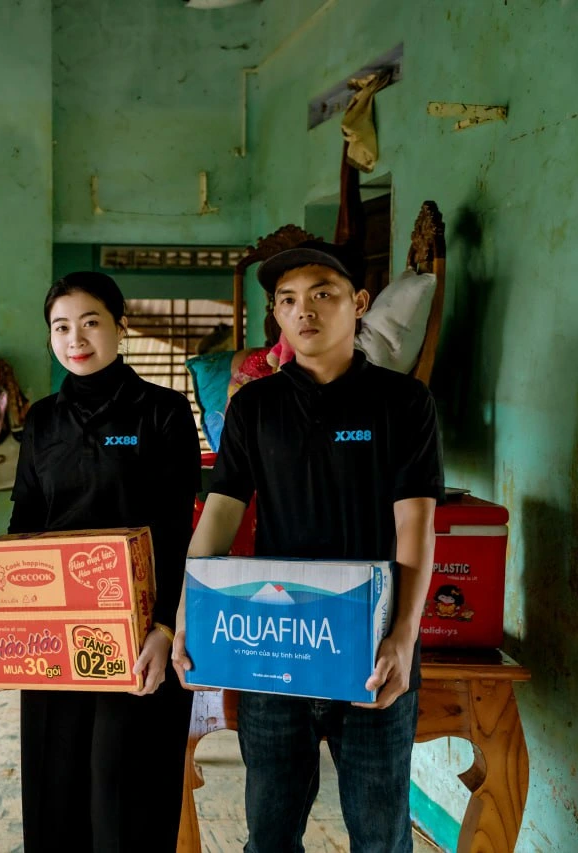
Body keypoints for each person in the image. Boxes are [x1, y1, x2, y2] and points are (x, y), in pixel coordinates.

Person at [172, 240, 443, 853]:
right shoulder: (254, 406)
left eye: (323, 293)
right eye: (288, 300)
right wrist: (189, 614)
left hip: (371, 645)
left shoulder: (403, 403)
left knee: (380, 835)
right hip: (274, 642)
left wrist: (404, 635)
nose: (305, 310)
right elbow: (219, 515)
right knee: (269, 832)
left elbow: (415, 524)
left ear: (360, 303)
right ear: (276, 314)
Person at [0, 271, 200, 852]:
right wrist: (6, 630)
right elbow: (25, 525)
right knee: (55, 795)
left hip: (139, 638)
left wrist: (165, 628)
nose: (75, 339)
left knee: (124, 797)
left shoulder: (162, 411)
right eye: (60, 327)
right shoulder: (44, 419)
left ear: (120, 326)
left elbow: (178, 531)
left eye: (90, 322)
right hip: (53, 638)